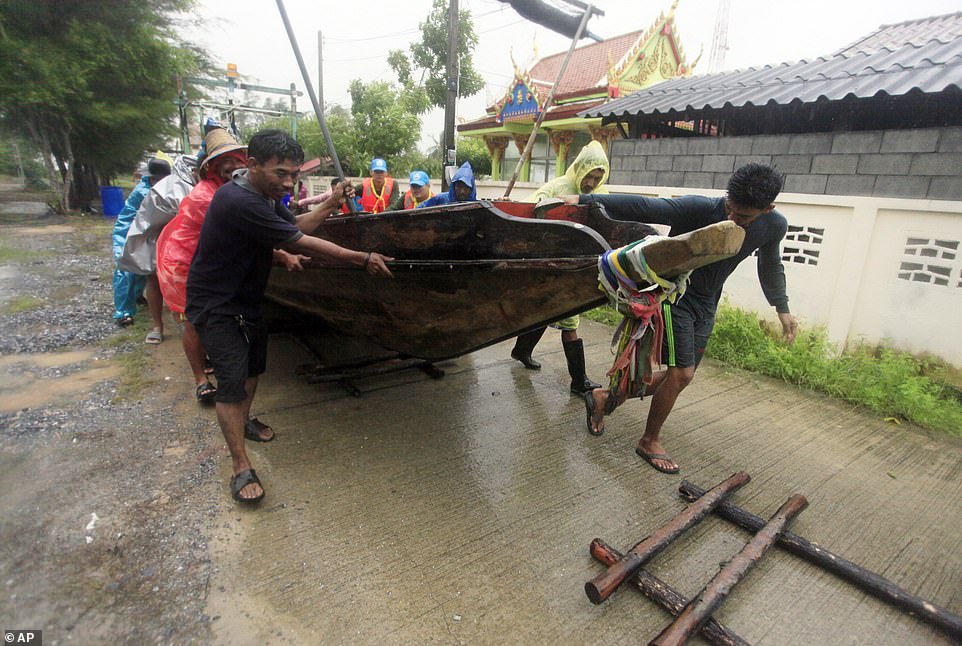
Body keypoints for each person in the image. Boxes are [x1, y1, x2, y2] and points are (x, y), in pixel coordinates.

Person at [185, 128, 394, 504]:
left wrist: (330, 203)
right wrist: (361, 258)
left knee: (252, 369)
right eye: (281, 173)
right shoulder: (238, 200)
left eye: (294, 175)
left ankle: (245, 420)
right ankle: (240, 465)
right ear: (251, 165)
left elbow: (295, 227)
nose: (289, 182)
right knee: (231, 382)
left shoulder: (266, 196)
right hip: (216, 303)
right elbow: (299, 241)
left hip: (248, 296)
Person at [576, 163, 798, 474]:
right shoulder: (701, 209)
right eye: (731, 210)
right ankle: (649, 440)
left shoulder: (774, 225)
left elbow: (771, 265)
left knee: (674, 377)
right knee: (682, 374)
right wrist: (582, 200)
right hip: (675, 295)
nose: (733, 220)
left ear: (768, 209)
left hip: (707, 302)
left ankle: (603, 398)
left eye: (744, 217)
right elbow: (647, 206)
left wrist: (782, 307)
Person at [156, 127, 250, 404]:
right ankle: (200, 380)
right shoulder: (205, 197)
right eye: (225, 162)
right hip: (184, 264)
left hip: (213, 262)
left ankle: (214, 362)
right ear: (212, 169)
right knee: (194, 322)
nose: (232, 166)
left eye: (236, 160)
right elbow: (244, 233)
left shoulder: (237, 188)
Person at [510, 141, 609, 395]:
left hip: (575, 266)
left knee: (549, 311)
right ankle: (579, 381)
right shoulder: (556, 189)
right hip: (551, 262)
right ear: (580, 169)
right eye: (589, 176)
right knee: (569, 320)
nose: (592, 182)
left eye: (598, 177)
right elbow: (525, 213)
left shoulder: (598, 197)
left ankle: (522, 350)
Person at [118, 153, 199, 344]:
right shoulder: (151, 191)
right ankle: (157, 326)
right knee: (153, 278)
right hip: (155, 238)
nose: (155, 181)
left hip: (179, 242)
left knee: (182, 286)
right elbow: (143, 220)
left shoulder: (188, 186)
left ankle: (190, 331)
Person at [111, 157, 171, 326]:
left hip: (144, 230)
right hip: (128, 232)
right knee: (127, 269)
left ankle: (137, 296)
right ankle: (123, 312)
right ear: (153, 179)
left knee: (143, 268)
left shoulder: (158, 188)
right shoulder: (145, 192)